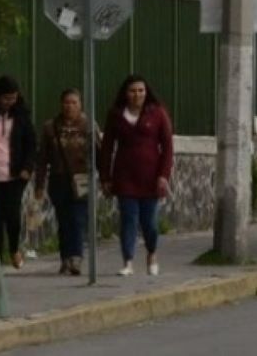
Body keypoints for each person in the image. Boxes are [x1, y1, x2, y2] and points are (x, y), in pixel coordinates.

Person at [101, 74, 173, 277]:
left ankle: (152, 253)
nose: (137, 94)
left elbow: (167, 147)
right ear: (125, 93)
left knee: (149, 221)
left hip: (151, 178)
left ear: (146, 92)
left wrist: (163, 175)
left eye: (141, 90)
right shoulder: (115, 115)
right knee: (128, 219)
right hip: (124, 176)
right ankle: (128, 261)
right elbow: (106, 147)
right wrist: (105, 177)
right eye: (133, 91)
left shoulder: (157, 113)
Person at [34, 89, 99, 276]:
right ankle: (65, 258)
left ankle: (76, 257)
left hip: (81, 180)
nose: (70, 106)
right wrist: (39, 185)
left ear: (80, 105)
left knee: (78, 219)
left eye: (74, 103)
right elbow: (42, 159)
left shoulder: (88, 126)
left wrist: (105, 179)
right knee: (64, 220)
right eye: (66, 103)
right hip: (58, 179)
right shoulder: (50, 127)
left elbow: (99, 153)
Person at [0, 75, 37, 269]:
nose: (10, 102)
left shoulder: (21, 117)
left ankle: (14, 248)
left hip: (15, 175)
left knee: (13, 216)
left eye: (13, 98)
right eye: (6, 98)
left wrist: (27, 168)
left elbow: (31, 145)